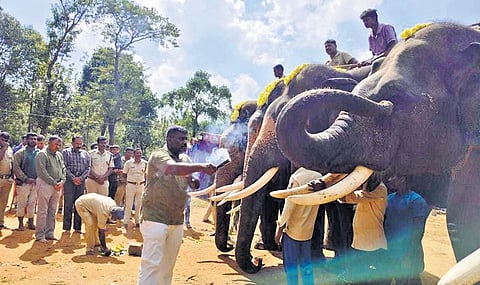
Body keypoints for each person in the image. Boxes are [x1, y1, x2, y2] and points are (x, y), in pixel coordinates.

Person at [138, 125, 216, 285]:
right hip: (155, 218)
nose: (184, 143)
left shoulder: (185, 159)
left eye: (185, 139)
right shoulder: (158, 155)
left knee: (168, 268)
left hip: (176, 220)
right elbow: (170, 168)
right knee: (151, 265)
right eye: (181, 139)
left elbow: (192, 180)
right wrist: (202, 167)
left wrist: (194, 180)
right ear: (169, 139)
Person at [275, 168, 323, 285]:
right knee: (306, 264)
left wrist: (279, 229)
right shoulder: (319, 177)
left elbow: (289, 206)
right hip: (308, 231)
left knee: (291, 266)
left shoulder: (296, 178)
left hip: (292, 231)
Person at [340, 173, 389, 284]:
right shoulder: (366, 191)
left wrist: (344, 186)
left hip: (373, 245)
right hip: (359, 243)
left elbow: (352, 197)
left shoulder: (380, 189)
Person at [384, 175, 430, 285]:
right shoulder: (389, 198)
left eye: (394, 177)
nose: (390, 179)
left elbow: (418, 232)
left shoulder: (416, 201)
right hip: (391, 251)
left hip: (408, 252)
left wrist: (408, 256)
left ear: (403, 178)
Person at [34, 135, 66, 242]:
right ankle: (40, 235)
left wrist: (62, 181)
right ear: (49, 143)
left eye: (59, 145)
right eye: (56, 144)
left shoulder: (59, 155)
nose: (58, 146)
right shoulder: (42, 154)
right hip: (45, 184)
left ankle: (49, 233)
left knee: (53, 210)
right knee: (43, 210)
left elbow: (63, 169)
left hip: (57, 185)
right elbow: (41, 172)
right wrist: (53, 183)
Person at [62, 136, 91, 233]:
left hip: (81, 182)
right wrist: (73, 178)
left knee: (79, 204)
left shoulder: (86, 154)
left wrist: (81, 178)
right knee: (68, 204)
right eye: (77, 144)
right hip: (69, 182)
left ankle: (77, 228)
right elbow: (64, 167)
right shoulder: (66, 152)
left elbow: (88, 168)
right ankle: (66, 228)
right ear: (72, 143)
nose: (79, 146)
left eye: (80, 144)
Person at [13, 132, 39, 231]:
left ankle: (31, 223)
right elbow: (16, 168)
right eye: (31, 139)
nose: (33, 140)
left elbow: (42, 167)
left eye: (35, 139)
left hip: (36, 182)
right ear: (26, 140)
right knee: (21, 203)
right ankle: (20, 224)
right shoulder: (20, 153)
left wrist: (37, 179)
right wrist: (26, 178)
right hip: (23, 183)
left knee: (32, 203)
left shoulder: (40, 153)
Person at [122, 148, 147, 229]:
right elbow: (124, 174)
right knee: (128, 204)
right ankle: (125, 222)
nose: (138, 155)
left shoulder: (145, 163)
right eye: (137, 153)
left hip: (141, 185)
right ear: (133, 154)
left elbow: (146, 174)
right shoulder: (128, 163)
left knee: (138, 204)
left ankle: (137, 222)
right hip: (130, 185)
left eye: (140, 153)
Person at [0, 131, 14, 229]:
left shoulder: (10, 149)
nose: (4, 142)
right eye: (2, 140)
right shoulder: (5, 148)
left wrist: (12, 177)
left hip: (7, 179)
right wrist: (4, 148)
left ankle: (1, 222)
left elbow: (11, 163)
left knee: (4, 202)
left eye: (6, 140)